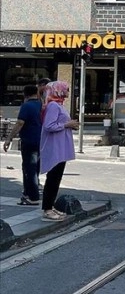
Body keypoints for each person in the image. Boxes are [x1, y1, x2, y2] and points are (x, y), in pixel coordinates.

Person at [39, 81, 79, 221]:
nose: (68, 91)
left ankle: (50, 206)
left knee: (56, 178)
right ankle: (47, 209)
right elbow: (49, 126)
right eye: (66, 89)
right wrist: (67, 124)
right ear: (58, 90)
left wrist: (69, 125)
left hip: (60, 146)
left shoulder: (59, 105)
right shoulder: (53, 106)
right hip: (55, 147)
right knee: (53, 178)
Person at [3, 85, 43, 205]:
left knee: (29, 168)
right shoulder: (41, 105)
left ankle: (33, 197)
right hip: (41, 140)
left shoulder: (27, 106)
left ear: (25, 95)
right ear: (36, 93)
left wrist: (9, 138)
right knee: (34, 168)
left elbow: (20, 123)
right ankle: (27, 193)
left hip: (29, 140)